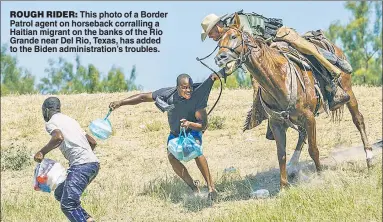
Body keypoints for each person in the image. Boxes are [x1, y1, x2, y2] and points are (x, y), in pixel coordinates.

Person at [200, 11, 351, 111]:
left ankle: (334, 71)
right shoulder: (226, 38)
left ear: (217, 26)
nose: (211, 37)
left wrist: (224, 71)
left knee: (306, 50)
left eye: (210, 33)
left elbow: (250, 47)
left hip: (278, 36)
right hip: (267, 49)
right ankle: (268, 113)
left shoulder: (238, 22)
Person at [109, 73, 219, 201]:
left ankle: (211, 188)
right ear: (177, 87)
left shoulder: (196, 98)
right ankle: (194, 188)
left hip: (193, 131)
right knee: (172, 157)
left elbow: (203, 125)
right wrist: (121, 103)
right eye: (184, 87)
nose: (188, 90)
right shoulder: (167, 94)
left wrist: (189, 124)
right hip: (175, 134)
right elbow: (143, 97)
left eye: (190, 87)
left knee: (195, 150)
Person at [34, 97, 100, 222]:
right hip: (93, 164)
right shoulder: (70, 120)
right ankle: (88, 219)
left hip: (81, 165)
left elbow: (58, 137)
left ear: (46, 111)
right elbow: (92, 142)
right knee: (60, 193)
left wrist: (42, 152)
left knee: (68, 204)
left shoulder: (51, 122)